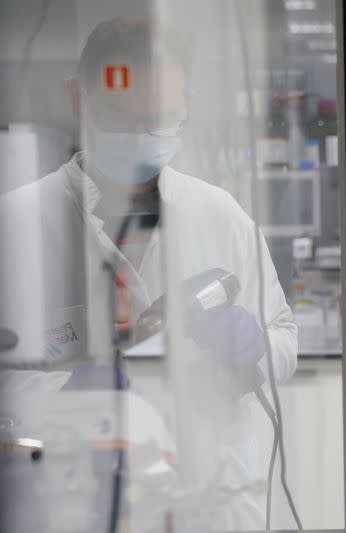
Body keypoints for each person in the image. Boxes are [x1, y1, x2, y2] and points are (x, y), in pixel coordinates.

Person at [0, 17, 297, 530]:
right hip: (72, 498)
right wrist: (64, 394)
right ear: (79, 98)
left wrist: (256, 349)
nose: (140, 137)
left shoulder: (219, 213)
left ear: (187, 104)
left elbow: (282, 336)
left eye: (158, 119)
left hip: (208, 500)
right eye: (119, 117)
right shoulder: (17, 224)